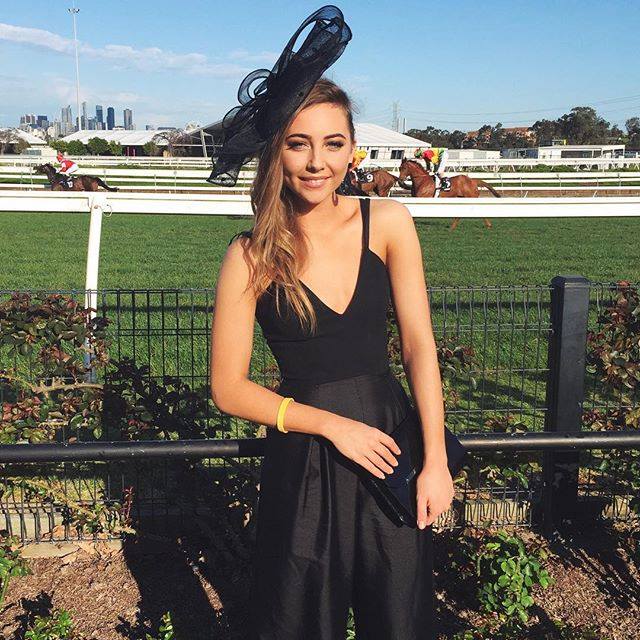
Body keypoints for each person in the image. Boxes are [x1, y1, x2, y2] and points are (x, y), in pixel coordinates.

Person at [209, 7, 453, 640]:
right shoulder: (250, 255)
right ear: (276, 151)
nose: (317, 161)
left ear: (351, 148)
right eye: (298, 143)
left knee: (399, 620)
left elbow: (419, 348)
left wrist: (435, 461)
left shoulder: (388, 222)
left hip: (391, 452)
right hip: (304, 463)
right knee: (298, 621)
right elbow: (227, 388)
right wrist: (331, 426)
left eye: (333, 143)